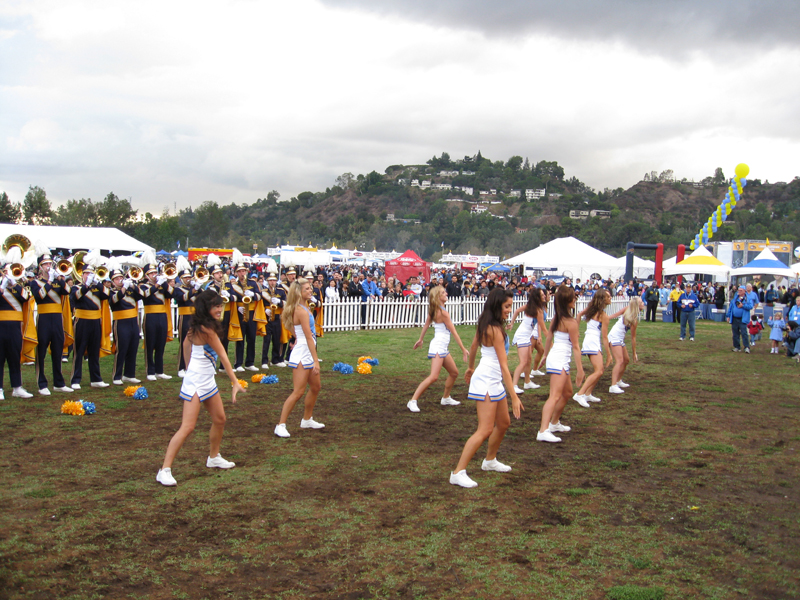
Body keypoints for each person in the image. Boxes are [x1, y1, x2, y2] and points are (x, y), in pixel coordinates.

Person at [156, 290, 245, 487]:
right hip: (197, 381)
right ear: (206, 308)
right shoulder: (206, 330)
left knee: (220, 419)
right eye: (215, 306)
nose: (220, 309)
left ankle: (214, 457)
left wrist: (188, 367)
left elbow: (187, 346)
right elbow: (223, 356)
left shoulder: (198, 327)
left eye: (220, 305)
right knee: (187, 427)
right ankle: (164, 470)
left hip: (206, 379)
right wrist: (235, 382)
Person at [450, 288, 522, 488]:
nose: (510, 309)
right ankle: (457, 472)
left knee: (504, 422)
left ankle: (489, 461)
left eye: (510, 306)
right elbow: (504, 366)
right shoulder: (494, 329)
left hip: (492, 379)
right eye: (507, 306)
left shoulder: (487, 324)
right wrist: (514, 396)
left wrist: (471, 367)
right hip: (488, 381)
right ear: (497, 305)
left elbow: (474, 347)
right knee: (485, 429)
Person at [274, 278, 323, 438]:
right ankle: (280, 425)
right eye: (307, 289)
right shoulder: (300, 310)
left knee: (315, 387)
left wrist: (296, 338)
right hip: (304, 352)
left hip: (306, 348)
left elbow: (291, 326)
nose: (311, 290)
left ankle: (307, 419)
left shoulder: (304, 307)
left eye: (310, 288)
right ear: (299, 292)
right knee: (298, 392)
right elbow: (308, 337)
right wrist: (316, 360)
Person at [408, 285, 469, 412]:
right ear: (438, 297)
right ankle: (412, 401)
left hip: (442, 347)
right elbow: (454, 332)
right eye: (443, 293)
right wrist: (463, 349)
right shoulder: (443, 313)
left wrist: (421, 339)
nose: (446, 293)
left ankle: (446, 398)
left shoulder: (435, 309)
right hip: (438, 346)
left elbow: (426, 324)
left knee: (454, 373)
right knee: (433, 377)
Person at [537, 285, 584, 442]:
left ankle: (554, 423)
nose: (575, 299)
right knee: (554, 396)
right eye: (573, 297)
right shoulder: (569, 321)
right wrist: (580, 370)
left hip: (559, 359)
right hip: (559, 359)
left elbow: (549, 337)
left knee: (567, 393)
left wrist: (545, 356)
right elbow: (576, 347)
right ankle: (543, 430)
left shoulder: (558, 318)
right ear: (567, 301)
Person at [28, 253, 73, 395]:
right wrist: (49, 283)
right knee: (41, 352)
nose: (49, 267)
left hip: (57, 320)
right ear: (40, 267)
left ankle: (59, 383)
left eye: (50, 264)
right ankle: (42, 384)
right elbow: (39, 297)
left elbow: (67, 291)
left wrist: (60, 279)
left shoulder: (57, 281)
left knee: (58, 350)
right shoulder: (35, 283)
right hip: (44, 319)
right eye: (46, 264)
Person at [574, 289, 622, 407]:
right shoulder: (603, 315)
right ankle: (580, 394)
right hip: (593, 341)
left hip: (590, 340)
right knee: (599, 371)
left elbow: (579, 314)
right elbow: (605, 338)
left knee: (599, 371)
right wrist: (609, 355)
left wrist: (577, 330)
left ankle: (588, 394)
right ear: (602, 299)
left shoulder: (592, 310)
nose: (610, 298)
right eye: (608, 296)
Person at [69, 264, 111, 389]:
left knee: (94, 351)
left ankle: (96, 378)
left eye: (91, 273)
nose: (89, 275)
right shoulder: (76, 288)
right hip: (82, 321)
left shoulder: (98, 288)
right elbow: (75, 297)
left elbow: (108, 294)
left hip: (96, 321)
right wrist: (86, 286)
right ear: (81, 275)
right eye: (86, 273)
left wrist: (98, 283)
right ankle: (75, 379)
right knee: (79, 350)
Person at [0, 268, 33, 399]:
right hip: (0, 325)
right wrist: (2, 286)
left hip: (15, 327)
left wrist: (14, 284)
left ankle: (17, 387)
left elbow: (26, 298)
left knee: (14, 357)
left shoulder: (17, 286)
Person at [139, 263, 174, 381]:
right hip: (150, 316)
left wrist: (164, 283)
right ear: (146, 275)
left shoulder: (162, 286)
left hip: (162, 316)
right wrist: (158, 284)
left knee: (161, 344)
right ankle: (150, 371)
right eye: (152, 273)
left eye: (155, 273)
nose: (154, 275)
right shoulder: (143, 286)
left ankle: (159, 370)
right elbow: (145, 295)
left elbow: (171, 294)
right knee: (150, 344)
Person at [507, 286, 547, 393]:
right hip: (522, 336)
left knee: (528, 360)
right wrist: (511, 323)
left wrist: (539, 336)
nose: (544, 296)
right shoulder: (536, 309)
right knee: (523, 362)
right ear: (537, 297)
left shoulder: (535, 308)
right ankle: (513, 385)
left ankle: (527, 382)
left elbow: (538, 325)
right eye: (542, 295)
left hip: (526, 336)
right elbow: (544, 328)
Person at [108, 268, 142, 385]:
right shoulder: (111, 292)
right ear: (112, 282)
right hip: (121, 322)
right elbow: (114, 300)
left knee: (133, 347)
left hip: (133, 321)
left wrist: (132, 286)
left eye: (120, 278)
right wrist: (123, 288)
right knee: (121, 349)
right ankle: (117, 376)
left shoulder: (129, 290)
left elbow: (141, 295)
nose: (120, 280)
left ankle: (129, 374)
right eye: (116, 279)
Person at [608, 297, 643, 394]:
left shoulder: (634, 318)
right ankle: (613, 385)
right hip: (614, 337)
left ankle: (618, 380)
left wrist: (634, 353)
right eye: (641, 302)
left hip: (619, 338)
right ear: (637, 305)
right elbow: (615, 314)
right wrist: (605, 319)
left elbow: (633, 338)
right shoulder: (628, 311)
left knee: (626, 360)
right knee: (619, 361)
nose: (643, 303)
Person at [260, 272, 287, 368]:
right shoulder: (264, 291)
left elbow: (286, 302)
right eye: (270, 280)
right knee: (266, 340)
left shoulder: (280, 291)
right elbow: (260, 304)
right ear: (268, 281)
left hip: (277, 317)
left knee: (276, 339)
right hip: (267, 317)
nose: (272, 282)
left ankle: (275, 359)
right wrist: (264, 310)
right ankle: (264, 361)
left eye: (274, 280)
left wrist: (279, 302)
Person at [726, 286, 754, 353]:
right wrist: (728, 315)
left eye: (741, 290)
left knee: (744, 333)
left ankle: (746, 347)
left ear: (744, 291)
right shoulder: (735, 299)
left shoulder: (748, 299)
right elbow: (731, 307)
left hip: (743, 318)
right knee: (735, 333)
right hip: (735, 318)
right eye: (738, 290)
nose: (739, 292)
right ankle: (737, 347)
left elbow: (750, 306)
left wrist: (743, 306)